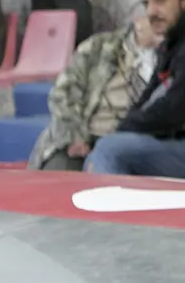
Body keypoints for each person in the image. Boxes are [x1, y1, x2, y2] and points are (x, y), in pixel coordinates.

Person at [86, 0, 185, 177]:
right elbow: (145, 99)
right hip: (173, 142)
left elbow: (174, 109)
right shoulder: (171, 45)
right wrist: (123, 128)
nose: (152, 11)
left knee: (110, 151)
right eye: (146, 3)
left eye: (160, 0)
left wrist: (124, 129)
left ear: (183, 0)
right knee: (97, 154)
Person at [30, 14, 160, 170]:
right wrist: (74, 136)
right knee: (59, 169)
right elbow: (63, 94)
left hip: (132, 142)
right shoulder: (98, 47)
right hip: (84, 135)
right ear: (137, 20)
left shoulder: (173, 55)